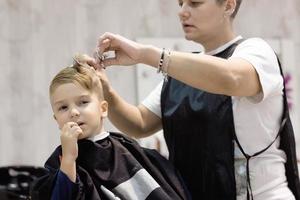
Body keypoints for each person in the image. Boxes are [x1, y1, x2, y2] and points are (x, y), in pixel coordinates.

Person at [82, 0, 300, 200]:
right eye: (180, 3)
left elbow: (231, 78)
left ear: (228, 5)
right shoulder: (180, 72)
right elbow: (139, 123)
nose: (182, 12)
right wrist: (105, 90)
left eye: (195, 3)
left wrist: (146, 55)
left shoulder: (256, 52)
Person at [30, 55, 190, 200]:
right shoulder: (60, 160)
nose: (73, 112)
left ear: (103, 109)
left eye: (83, 102)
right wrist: (68, 160)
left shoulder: (127, 148)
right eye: (63, 107)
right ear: (56, 119)